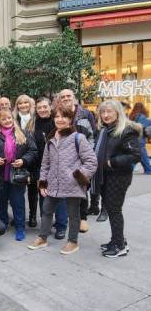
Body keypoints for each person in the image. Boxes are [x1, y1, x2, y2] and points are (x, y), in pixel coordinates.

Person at [29, 105, 97, 254]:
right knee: (46, 210)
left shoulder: (78, 138)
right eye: (57, 117)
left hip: (73, 184)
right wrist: (42, 183)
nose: (60, 120)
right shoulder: (51, 140)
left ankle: (73, 241)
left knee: (73, 214)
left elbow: (91, 161)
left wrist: (77, 177)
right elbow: (45, 164)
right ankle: (42, 238)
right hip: (53, 183)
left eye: (64, 116)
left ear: (70, 119)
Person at [93, 100, 141, 257]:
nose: (106, 115)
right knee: (111, 208)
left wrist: (111, 162)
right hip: (106, 175)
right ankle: (117, 239)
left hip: (119, 176)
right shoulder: (105, 129)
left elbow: (135, 156)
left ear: (118, 112)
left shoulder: (126, 130)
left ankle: (119, 246)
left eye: (109, 112)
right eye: (103, 112)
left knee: (114, 209)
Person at [0, 109, 37, 241]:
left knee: (18, 202)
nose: (7, 120)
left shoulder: (23, 133)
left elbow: (33, 151)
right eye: (4, 119)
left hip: (17, 175)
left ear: (13, 119)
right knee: (0, 202)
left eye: (9, 118)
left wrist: (24, 160)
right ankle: (2, 224)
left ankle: (20, 228)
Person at [58, 89, 97, 233]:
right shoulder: (58, 113)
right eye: (63, 97)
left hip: (81, 157)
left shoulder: (85, 113)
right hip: (64, 158)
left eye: (68, 96)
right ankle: (66, 218)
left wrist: (87, 154)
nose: (66, 98)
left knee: (81, 186)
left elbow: (93, 134)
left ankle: (83, 218)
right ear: (59, 100)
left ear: (74, 98)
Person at [33, 97, 68, 239]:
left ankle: (61, 226)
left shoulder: (57, 122)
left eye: (44, 107)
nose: (42, 110)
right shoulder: (33, 123)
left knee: (60, 198)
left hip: (58, 167)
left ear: (50, 107)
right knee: (43, 196)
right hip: (41, 166)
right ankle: (46, 225)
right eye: (39, 107)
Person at [13, 94, 37, 227]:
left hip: (33, 157)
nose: (23, 105)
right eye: (20, 103)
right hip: (18, 158)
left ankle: (33, 215)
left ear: (30, 104)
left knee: (33, 189)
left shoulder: (35, 118)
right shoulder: (14, 118)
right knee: (18, 188)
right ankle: (19, 216)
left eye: (25, 103)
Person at [129, 102, 151, 174]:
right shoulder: (142, 116)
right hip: (140, 138)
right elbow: (142, 126)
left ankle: (147, 169)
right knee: (142, 155)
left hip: (133, 138)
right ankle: (148, 169)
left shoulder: (132, 116)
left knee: (137, 155)